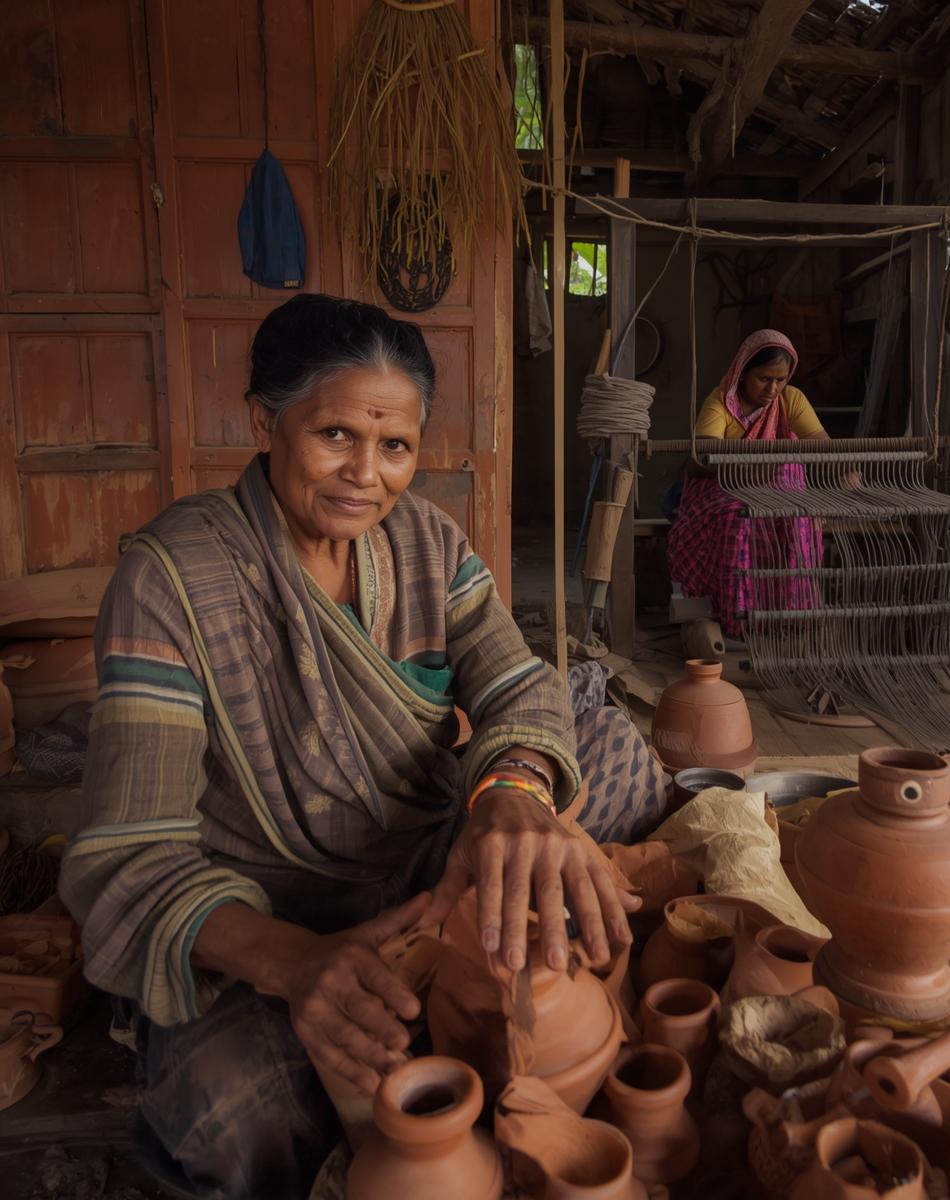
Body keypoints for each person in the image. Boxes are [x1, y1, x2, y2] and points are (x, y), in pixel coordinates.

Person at [58, 294, 665, 1198]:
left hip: (425, 862)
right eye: (335, 435)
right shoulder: (174, 579)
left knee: (609, 748)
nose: (366, 475)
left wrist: (509, 801)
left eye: (395, 447)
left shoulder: (427, 542)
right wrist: (295, 963)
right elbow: (130, 855)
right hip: (269, 905)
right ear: (265, 422)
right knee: (239, 1115)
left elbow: (515, 684)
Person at [667, 329, 827, 637]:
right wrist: (745, 468)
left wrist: (846, 468)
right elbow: (702, 459)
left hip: (780, 492)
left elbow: (822, 444)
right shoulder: (721, 404)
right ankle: (740, 620)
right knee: (737, 520)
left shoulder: (790, 400)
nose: (773, 388)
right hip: (725, 489)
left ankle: (788, 618)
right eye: (764, 378)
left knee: (800, 517)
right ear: (742, 373)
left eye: (781, 379)